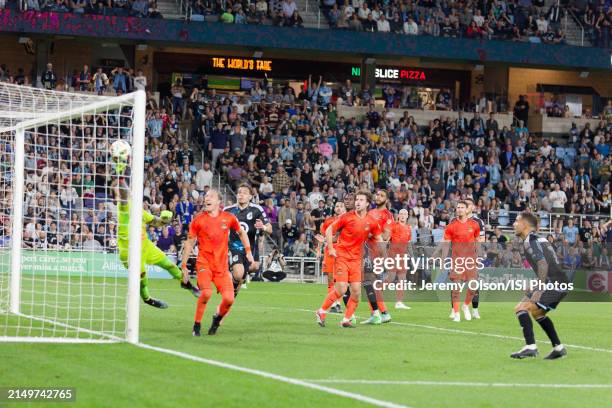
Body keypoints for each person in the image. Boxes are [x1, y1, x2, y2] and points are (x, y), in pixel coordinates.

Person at [113, 171, 200, 310]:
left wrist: (165, 220)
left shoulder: (140, 211)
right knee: (143, 278)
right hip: (129, 252)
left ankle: (187, 284)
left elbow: (157, 222)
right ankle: (148, 299)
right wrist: (121, 177)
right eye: (131, 194)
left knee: (169, 265)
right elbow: (123, 196)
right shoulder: (124, 208)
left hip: (146, 246)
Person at [181, 189, 253, 336]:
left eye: (210, 196)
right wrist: (183, 265)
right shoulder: (198, 220)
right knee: (206, 293)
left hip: (221, 268)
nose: (206, 198)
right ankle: (197, 325)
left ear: (219, 202)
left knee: (229, 299)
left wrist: (248, 251)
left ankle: (217, 319)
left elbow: (241, 232)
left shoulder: (229, 218)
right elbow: (189, 243)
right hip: (204, 265)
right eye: (205, 196)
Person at [316, 190, 383, 328]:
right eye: (357, 200)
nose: (357, 202)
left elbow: (378, 238)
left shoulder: (371, 221)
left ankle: (346, 319)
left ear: (368, 203)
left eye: (361, 200)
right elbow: (329, 230)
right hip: (342, 256)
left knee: (357, 293)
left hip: (356, 260)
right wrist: (331, 248)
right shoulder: (347, 217)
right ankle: (321, 311)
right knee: (341, 289)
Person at [510, 212, 568, 360]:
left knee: (521, 308)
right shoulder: (536, 239)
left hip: (554, 283)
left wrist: (539, 287)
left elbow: (543, 263)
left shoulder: (531, 241)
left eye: (517, 221)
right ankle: (558, 348)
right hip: (558, 282)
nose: (514, 224)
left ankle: (531, 347)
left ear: (524, 224)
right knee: (537, 313)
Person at [224, 183, 272, 297]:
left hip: (250, 248)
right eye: (239, 192)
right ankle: (233, 281)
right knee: (239, 274)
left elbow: (270, 229)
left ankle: (235, 283)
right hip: (234, 247)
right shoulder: (228, 210)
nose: (241, 195)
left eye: (244, 193)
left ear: (250, 196)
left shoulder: (257, 210)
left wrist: (263, 227)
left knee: (255, 267)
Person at [442, 201, 480, 322]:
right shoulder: (451, 226)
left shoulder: (474, 225)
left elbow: (477, 241)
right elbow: (446, 244)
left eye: (462, 207)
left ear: (467, 210)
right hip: (457, 261)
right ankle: (457, 313)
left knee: (473, 286)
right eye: (458, 207)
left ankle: (465, 305)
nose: (459, 209)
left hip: (470, 261)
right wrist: (443, 259)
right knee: (456, 288)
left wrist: (478, 257)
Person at [361, 189, 394, 325]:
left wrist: (369, 233)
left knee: (370, 284)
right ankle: (377, 313)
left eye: (381, 195)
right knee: (369, 285)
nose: (378, 197)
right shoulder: (370, 213)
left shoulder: (388, 216)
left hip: (376, 253)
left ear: (386, 200)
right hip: (365, 251)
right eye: (377, 194)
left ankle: (382, 313)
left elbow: (385, 236)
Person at [315, 201, 347, 314]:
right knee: (330, 279)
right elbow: (321, 237)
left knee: (340, 280)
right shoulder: (328, 221)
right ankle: (334, 305)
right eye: (337, 206)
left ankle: (337, 303)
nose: (339, 208)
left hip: (342, 252)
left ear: (345, 208)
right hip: (329, 252)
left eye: (341, 206)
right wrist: (318, 250)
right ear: (334, 209)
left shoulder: (347, 220)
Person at [386, 208, 412, 309]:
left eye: (404, 214)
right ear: (398, 215)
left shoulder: (409, 228)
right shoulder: (393, 226)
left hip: (402, 257)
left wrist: (410, 254)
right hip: (393, 255)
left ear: (407, 216)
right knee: (391, 278)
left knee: (402, 279)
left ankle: (399, 302)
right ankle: (377, 292)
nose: (402, 215)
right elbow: (387, 239)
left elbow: (408, 243)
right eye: (401, 213)